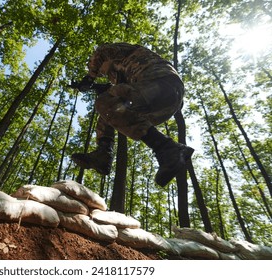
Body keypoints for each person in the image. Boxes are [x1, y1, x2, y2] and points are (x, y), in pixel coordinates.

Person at [72, 42, 194, 186]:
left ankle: (168, 147)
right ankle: (103, 153)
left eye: (100, 70)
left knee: (104, 101)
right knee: (109, 110)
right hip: (166, 98)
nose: (101, 73)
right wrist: (98, 87)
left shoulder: (121, 53)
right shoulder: (122, 71)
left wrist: (89, 77)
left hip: (160, 81)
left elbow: (101, 53)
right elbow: (120, 94)